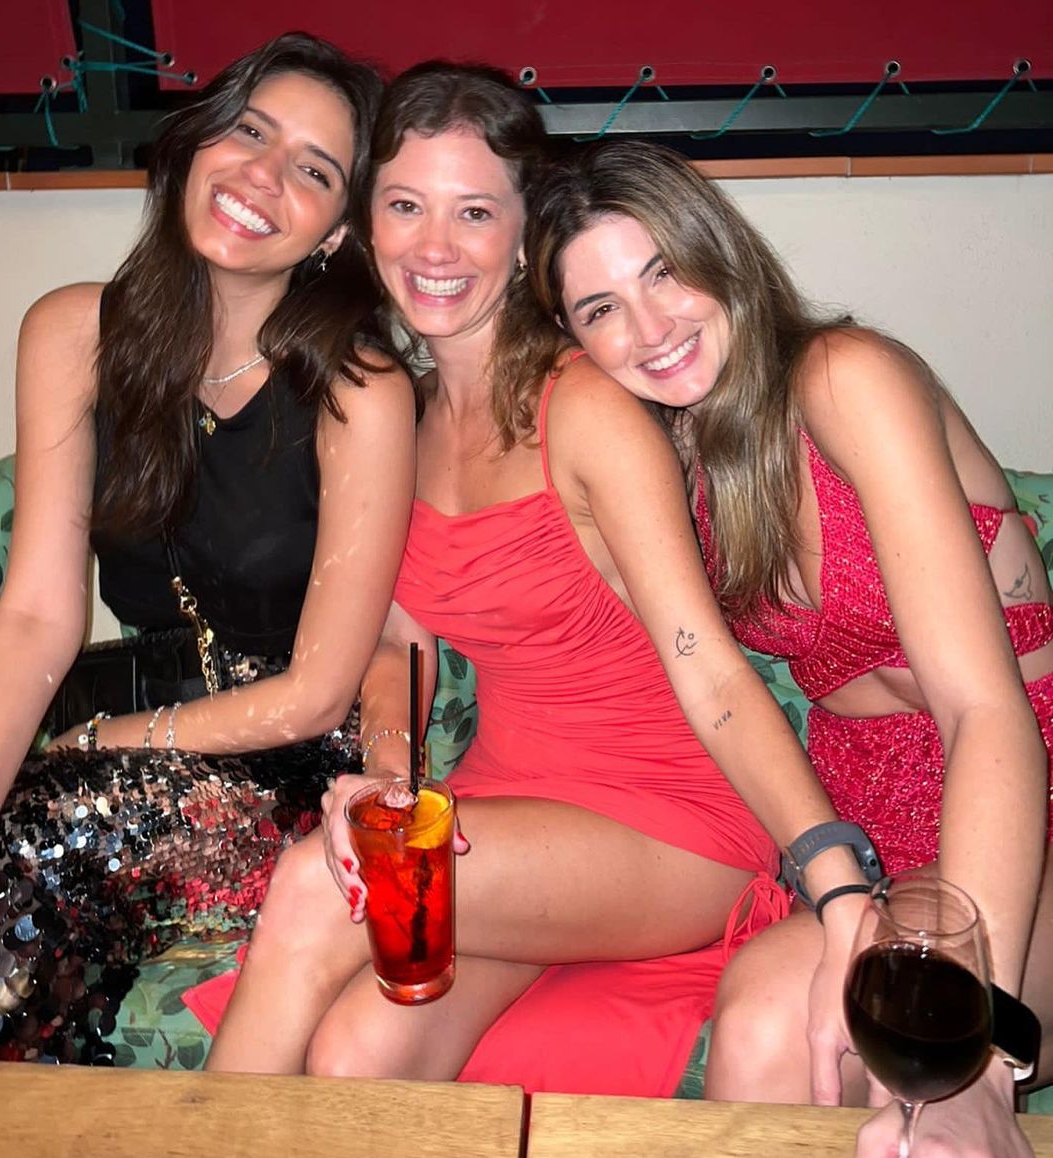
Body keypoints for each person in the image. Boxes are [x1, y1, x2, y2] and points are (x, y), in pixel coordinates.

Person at [199, 63, 876, 1097]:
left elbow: (707, 666)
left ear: (524, 238)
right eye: (406, 206)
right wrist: (389, 778)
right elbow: (399, 641)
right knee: (357, 1054)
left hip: (670, 823)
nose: (435, 247)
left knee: (316, 885)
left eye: (474, 212)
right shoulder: (404, 414)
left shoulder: (587, 410)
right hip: (508, 810)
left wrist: (831, 871)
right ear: (367, 227)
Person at [526, 138, 1052, 1153]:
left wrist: (970, 1048)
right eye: (600, 309)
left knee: (874, 1046)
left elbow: (985, 711)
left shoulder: (845, 376)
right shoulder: (679, 461)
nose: (649, 328)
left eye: (664, 272)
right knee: (767, 1018)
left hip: (1017, 806)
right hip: (861, 826)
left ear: (717, 250)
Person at [0, 33, 416, 1062]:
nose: (262, 175)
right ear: (197, 141)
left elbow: (319, 693)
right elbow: (36, 614)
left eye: (313, 170)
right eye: (249, 132)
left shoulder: (360, 389)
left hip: (283, 759)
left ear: (334, 234)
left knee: (36, 852)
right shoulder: (71, 332)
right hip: (121, 724)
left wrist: (93, 747)